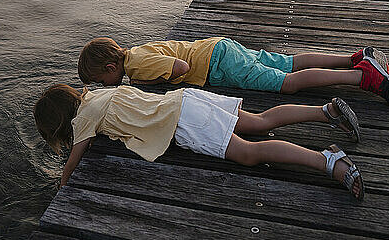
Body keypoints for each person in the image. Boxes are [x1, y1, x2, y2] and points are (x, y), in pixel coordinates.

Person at [33, 84, 365, 200]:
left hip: (184, 122)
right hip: (185, 99)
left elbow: (76, 156)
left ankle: (329, 161)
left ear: (60, 122)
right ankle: (325, 111)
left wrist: (62, 182)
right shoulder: (98, 96)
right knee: (260, 121)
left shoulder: (82, 121)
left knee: (248, 153)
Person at [77, 37, 389, 106]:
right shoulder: (136, 51)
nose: (103, 85)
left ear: (110, 67)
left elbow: (182, 67)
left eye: (101, 81)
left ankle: (362, 77)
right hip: (219, 48)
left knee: (287, 82)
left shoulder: (136, 65)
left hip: (219, 63)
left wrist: (145, 81)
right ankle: (354, 58)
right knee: (288, 62)